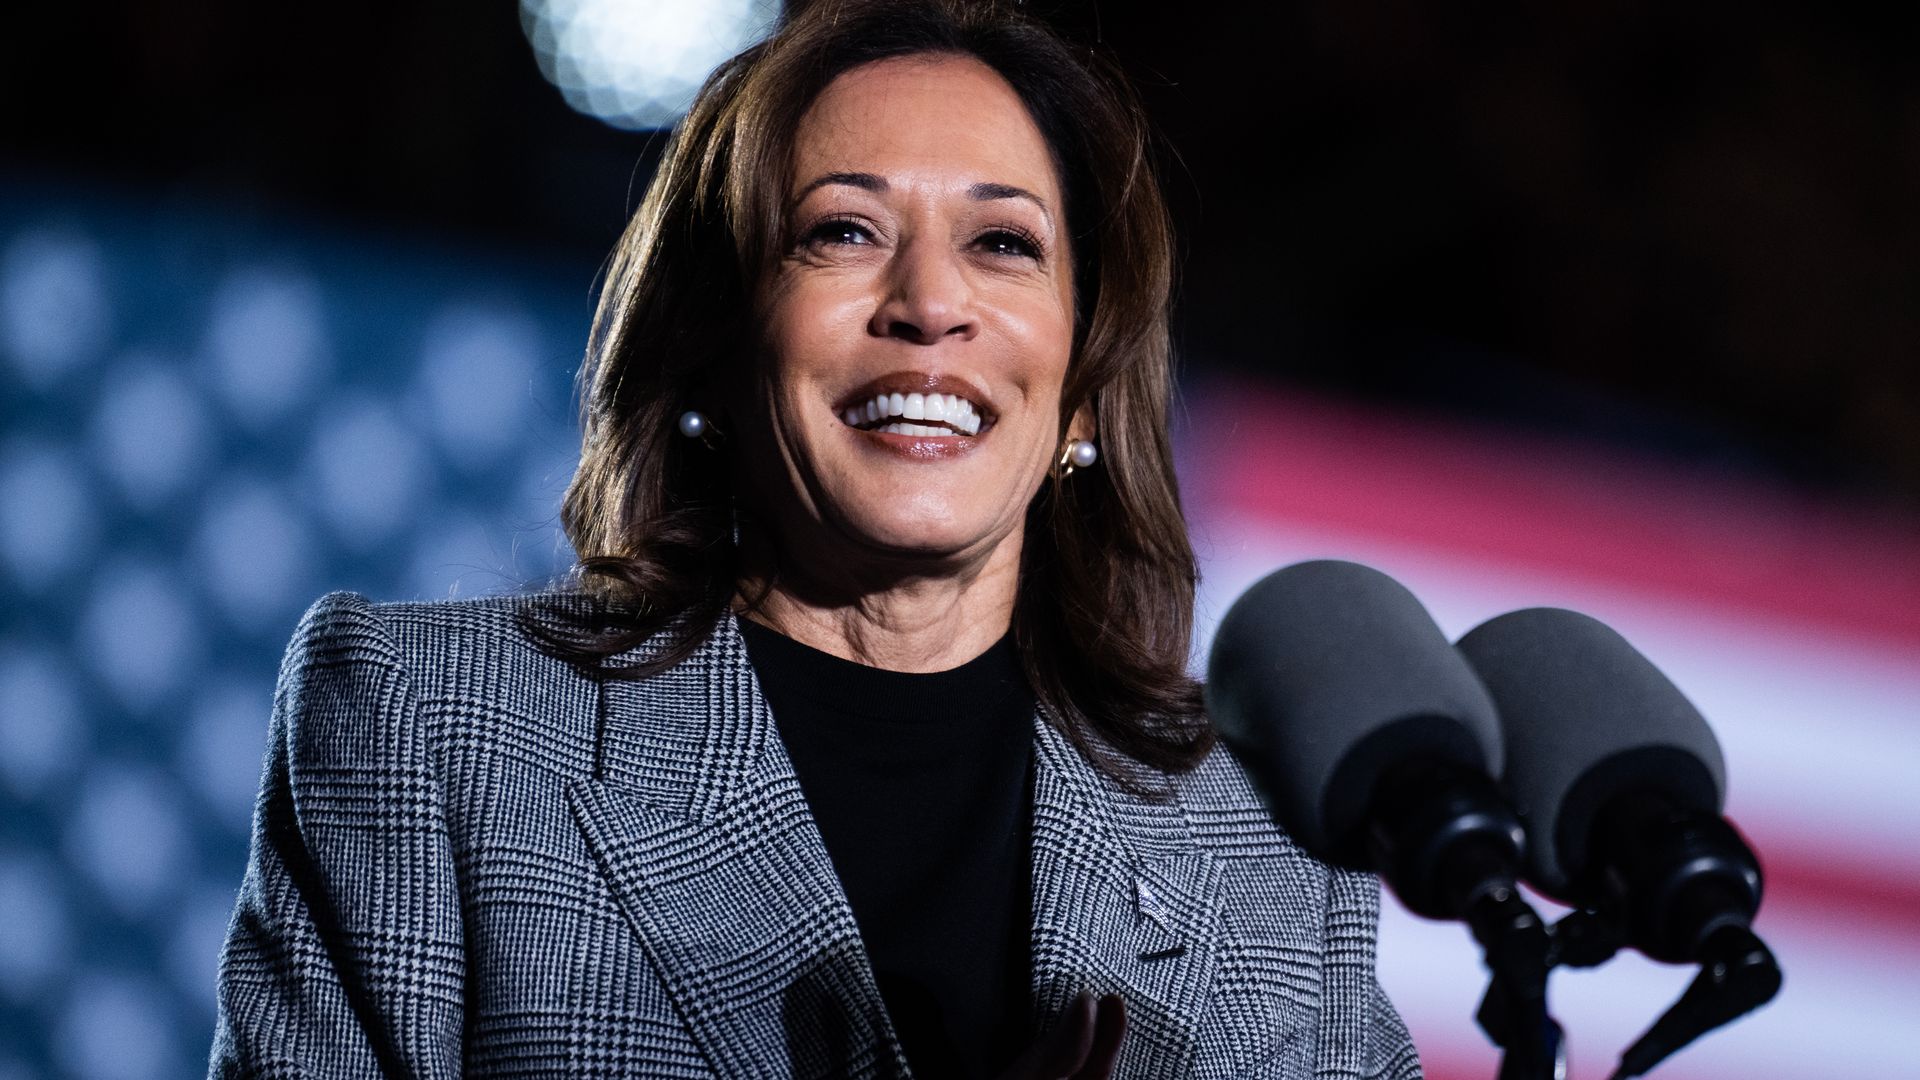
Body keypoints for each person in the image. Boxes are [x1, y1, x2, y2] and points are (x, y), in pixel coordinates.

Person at [208, 1, 1422, 1077]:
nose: (931, 304)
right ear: (713, 348)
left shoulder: (1270, 846)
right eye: (842, 231)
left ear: (1087, 389)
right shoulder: (435, 726)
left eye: (1004, 243)